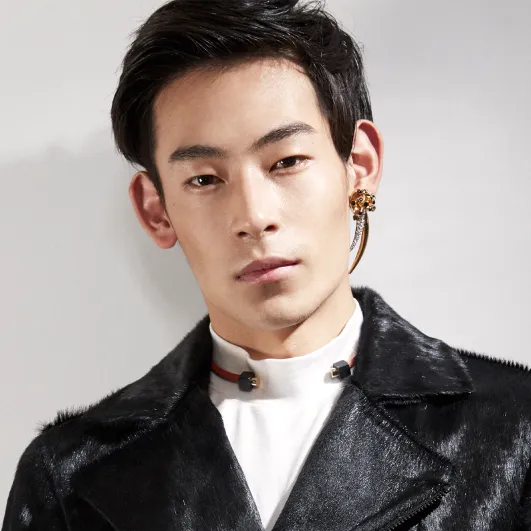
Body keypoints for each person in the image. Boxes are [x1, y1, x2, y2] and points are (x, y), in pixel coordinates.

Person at [3, 0, 531, 529]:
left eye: (287, 161)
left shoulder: (514, 431)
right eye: (205, 179)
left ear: (359, 167)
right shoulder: (69, 476)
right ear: (156, 210)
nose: (254, 217)